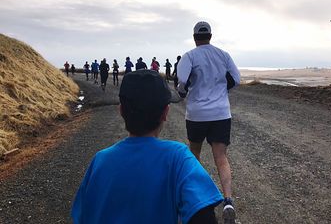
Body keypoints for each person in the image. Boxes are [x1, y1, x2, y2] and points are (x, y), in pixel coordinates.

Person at [71, 70, 223, 223]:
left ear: (121, 111)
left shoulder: (100, 161)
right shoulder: (177, 157)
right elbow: (203, 216)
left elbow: (83, 215)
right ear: (165, 113)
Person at [177, 21, 241, 224]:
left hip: (197, 114)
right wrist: (221, 91)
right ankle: (228, 200)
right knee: (221, 157)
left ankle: (197, 198)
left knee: (194, 153)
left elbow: (182, 81)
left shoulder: (190, 56)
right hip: (221, 113)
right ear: (210, 36)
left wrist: (183, 92)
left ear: (195, 37)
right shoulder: (223, 55)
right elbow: (236, 79)